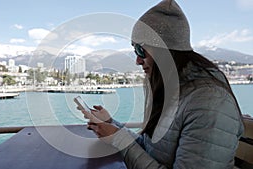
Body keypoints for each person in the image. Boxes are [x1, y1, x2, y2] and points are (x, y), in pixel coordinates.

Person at [80, 0, 244, 168]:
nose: (137, 60)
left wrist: (118, 138)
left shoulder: (209, 104)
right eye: (134, 49)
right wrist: (111, 123)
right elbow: (149, 148)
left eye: (140, 50)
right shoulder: (173, 92)